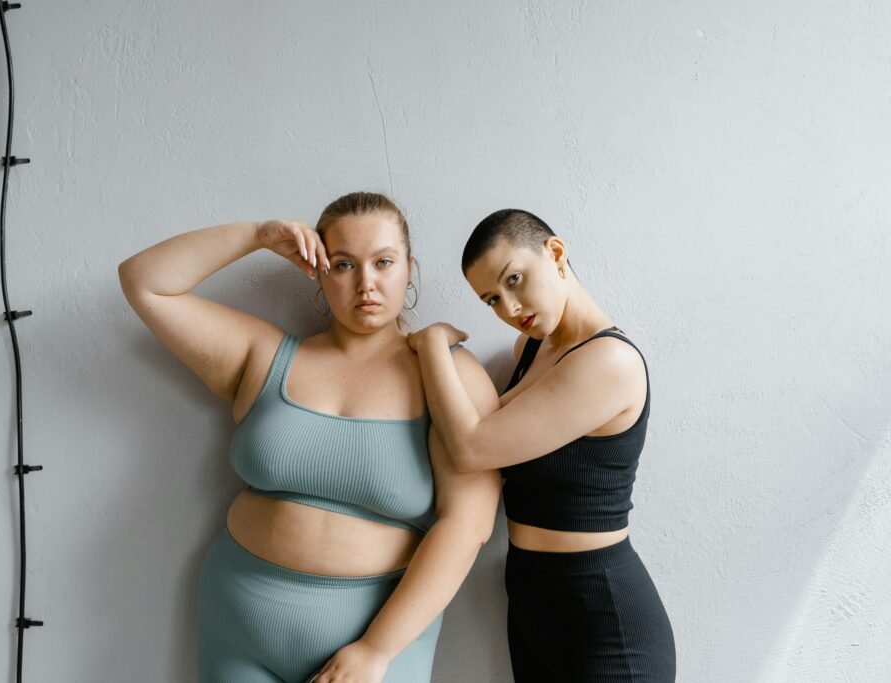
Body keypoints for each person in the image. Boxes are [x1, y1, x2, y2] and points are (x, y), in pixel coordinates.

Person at [117, 192, 501, 683]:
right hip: (240, 624)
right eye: (343, 265)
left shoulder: (447, 372)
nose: (366, 283)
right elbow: (144, 283)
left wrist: (375, 651)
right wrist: (256, 236)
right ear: (318, 271)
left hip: (380, 643)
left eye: (384, 262)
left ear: (410, 268)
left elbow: (468, 527)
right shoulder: (265, 356)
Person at [408, 209, 676, 681]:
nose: (509, 308)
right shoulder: (529, 351)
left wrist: (433, 346)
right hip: (533, 602)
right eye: (492, 298)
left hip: (603, 616)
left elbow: (472, 447)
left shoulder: (611, 362)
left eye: (515, 279)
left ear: (555, 253)